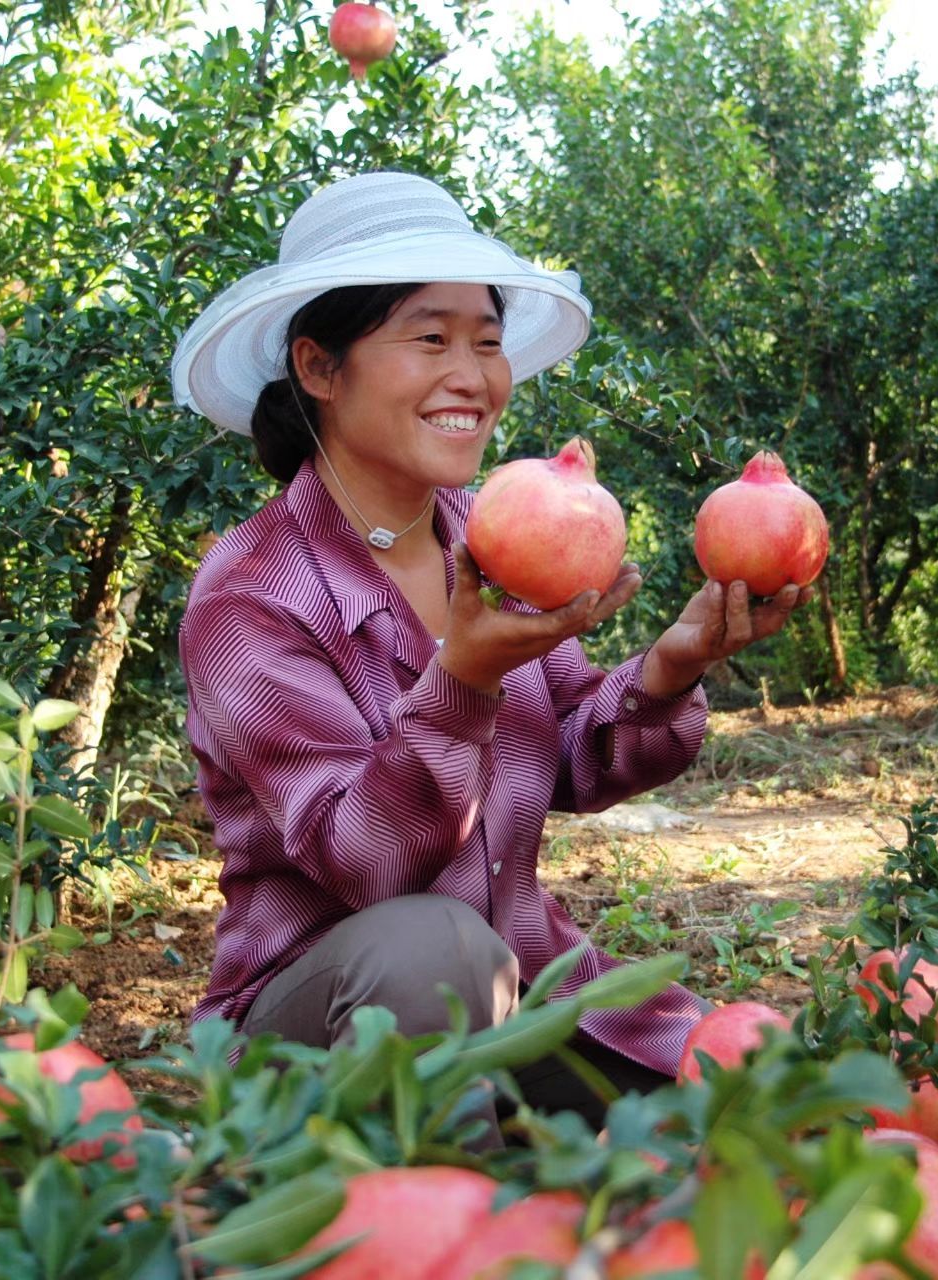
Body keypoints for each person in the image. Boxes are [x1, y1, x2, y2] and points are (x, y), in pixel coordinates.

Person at [169, 171, 807, 1128]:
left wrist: (673, 663)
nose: (473, 374)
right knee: (435, 947)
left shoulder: (492, 540)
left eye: (488, 342)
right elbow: (367, 866)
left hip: (515, 984)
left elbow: (571, 761)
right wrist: (462, 679)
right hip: (322, 1017)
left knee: (767, 1112)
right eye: (430, 338)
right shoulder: (252, 595)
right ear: (317, 366)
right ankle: (398, 1213)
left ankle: (505, 1153)